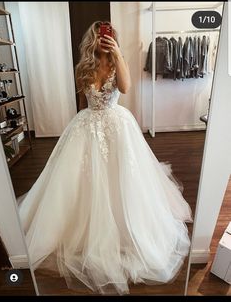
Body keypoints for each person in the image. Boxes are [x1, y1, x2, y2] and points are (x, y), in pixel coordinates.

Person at [18, 21, 192, 295]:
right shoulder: (84, 67)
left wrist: (118, 54)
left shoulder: (116, 62)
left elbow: (124, 87)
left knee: (121, 177)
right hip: (86, 125)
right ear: (92, 38)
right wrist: (76, 124)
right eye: (99, 35)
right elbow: (82, 100)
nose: (103, 39)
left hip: (117, 126)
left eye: (107, 35)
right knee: (81, 181)